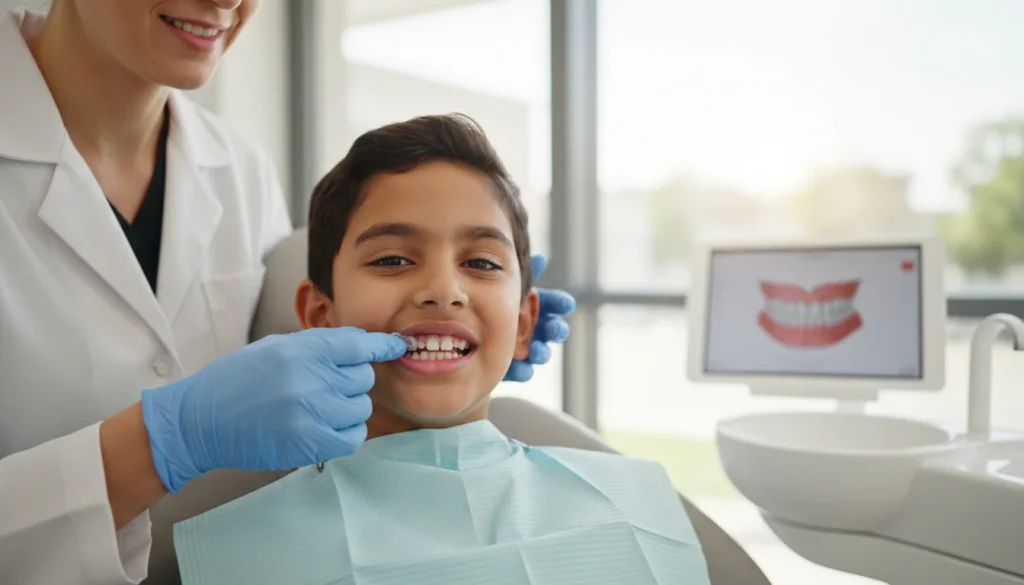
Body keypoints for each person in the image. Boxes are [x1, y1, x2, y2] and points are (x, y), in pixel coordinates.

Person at [0, 3, 575, 584]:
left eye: (478, 262)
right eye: (396, 258)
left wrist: (467, 328)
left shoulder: (241, 171)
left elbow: (290, 333)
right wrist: (162, 441)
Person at [170, 114, 710, 585]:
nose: (443, 290)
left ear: (524, 323)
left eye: (481, 263)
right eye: (391, 260)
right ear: (319, 316)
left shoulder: (636, 505)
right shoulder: (243, 555)